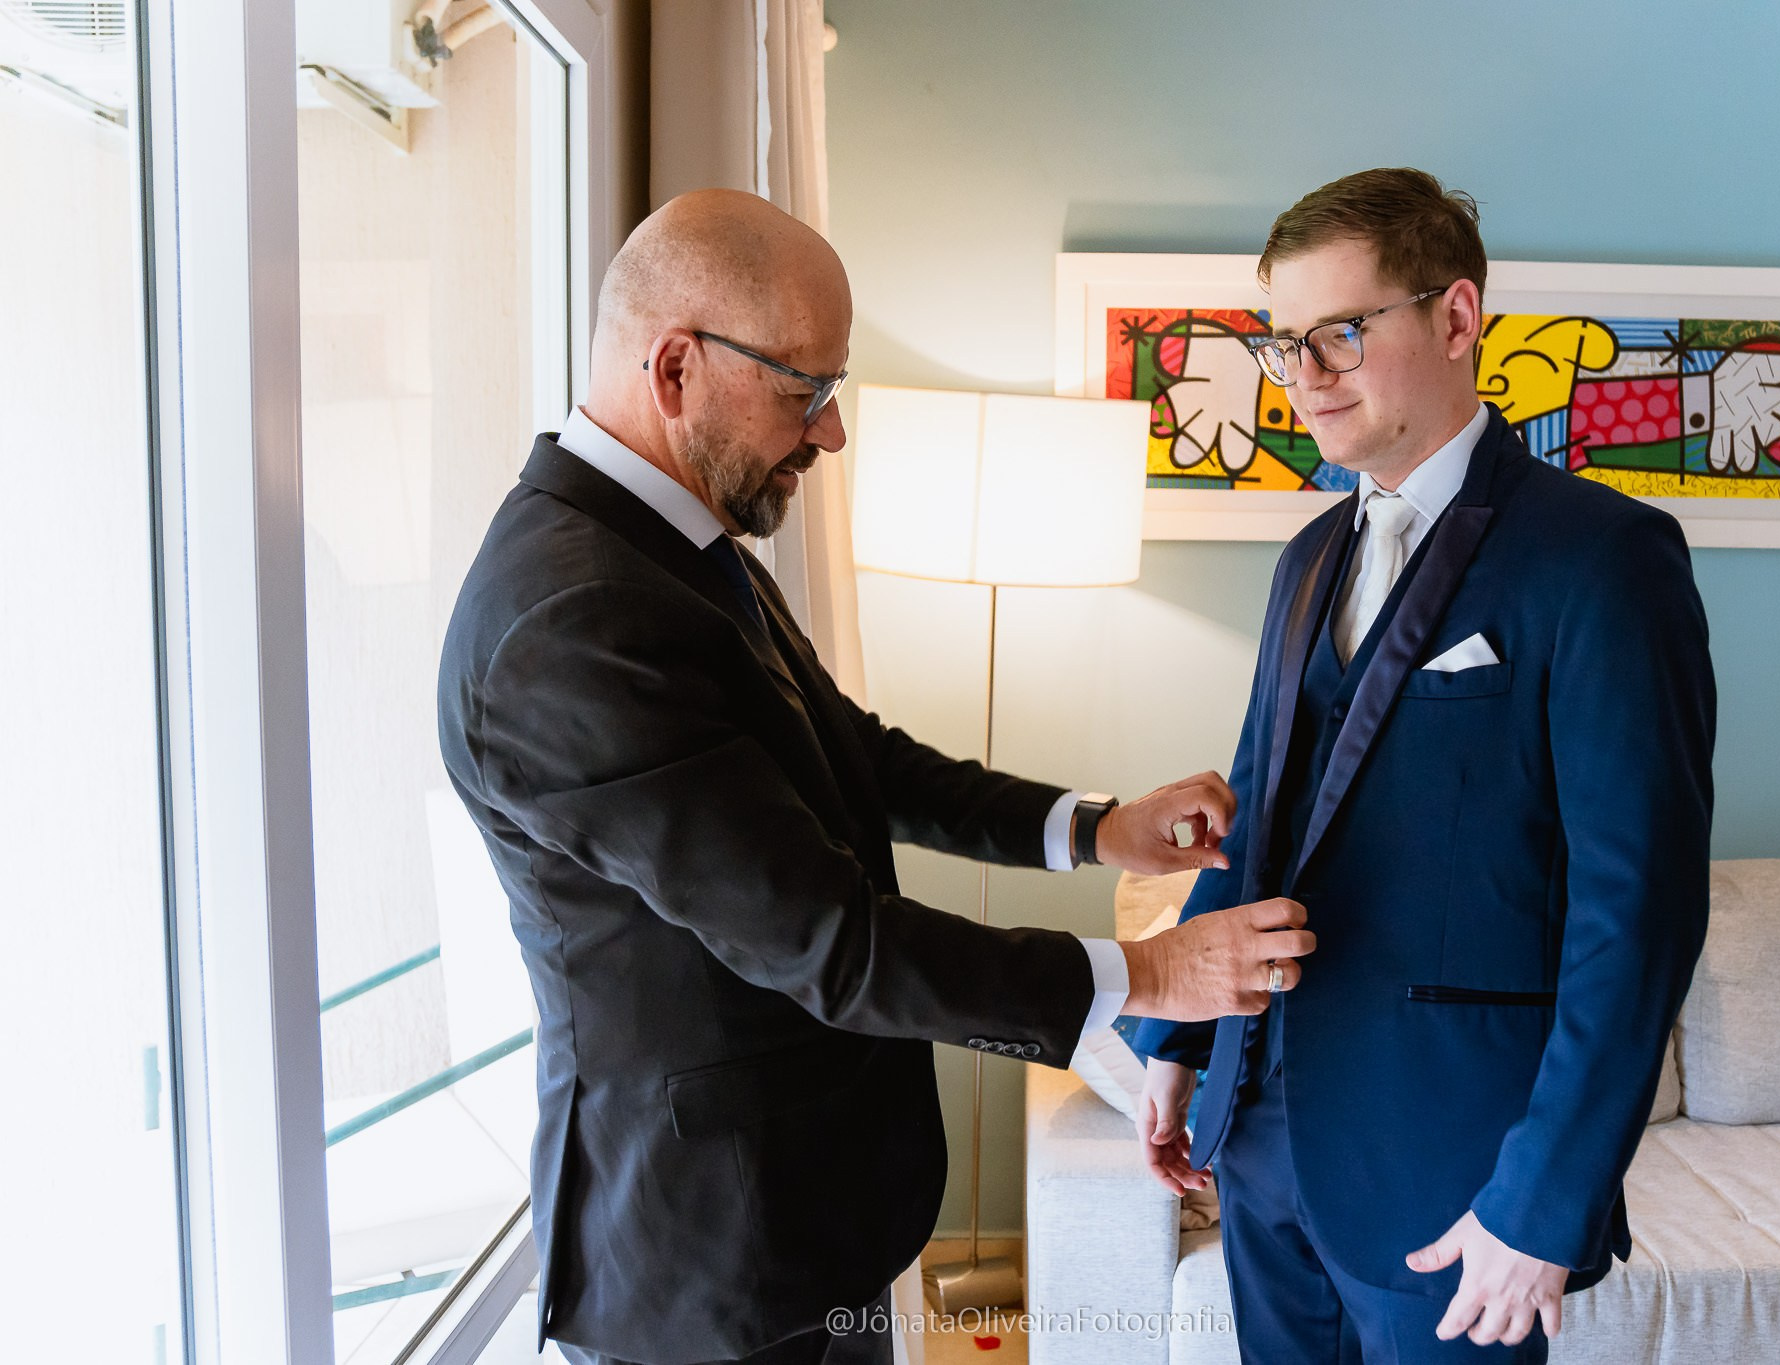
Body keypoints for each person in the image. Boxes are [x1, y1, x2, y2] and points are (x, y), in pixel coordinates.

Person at [436, 189, 1315, 1365]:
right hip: (706, 1259)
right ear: (677, 367)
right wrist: (1150, 972)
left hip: (799, 1214)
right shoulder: (571, 619)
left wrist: (1095, 829)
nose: (830, 432)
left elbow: (851, 753)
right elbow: (827, 943)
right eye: (804, 390)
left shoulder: (670, 542)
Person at [1131, 168, 1716, 1363]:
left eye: (1340, 333)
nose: (1305, 376)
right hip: (1261, 1142)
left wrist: (1542, 1198)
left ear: (1454, 318)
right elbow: (1262, 815)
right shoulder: (1306, 558)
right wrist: (1180, 1038)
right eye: (1284, 343)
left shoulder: (1601, 559)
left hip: (1455, 1172)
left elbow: (1637, 911)